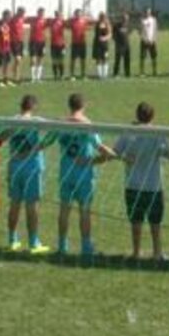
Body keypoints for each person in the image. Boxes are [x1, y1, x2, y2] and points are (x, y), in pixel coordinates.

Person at [113, 102, 169, 261]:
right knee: (155, 222)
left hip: (132, 185)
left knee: (135, 220)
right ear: (153, 116)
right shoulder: (157, 134)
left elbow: (114, 152)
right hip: (153, 187)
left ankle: (136, 252)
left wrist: (123, 158)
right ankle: (157, 252)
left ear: (136, 114)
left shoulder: (128, 132)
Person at [54, 93, 115, 257]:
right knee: (85, 211)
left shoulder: (61, 124)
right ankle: (86, 247)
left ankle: (62, 246)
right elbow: (100, 147)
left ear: (69, 105)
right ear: (83, 105)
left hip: (66, 172)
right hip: (83, 174)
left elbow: (49, 140)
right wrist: (115, 155)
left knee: (64, 210)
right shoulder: (87, 125)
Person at [4, 95, 49, 253]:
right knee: (32, 205)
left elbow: (2, 136)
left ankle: (12, 239)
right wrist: (41, 146)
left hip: (15, 166)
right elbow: (54, 129)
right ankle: (33, 242)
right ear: (34, 106)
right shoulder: (37, 121)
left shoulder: (12, 121)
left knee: (14, 203)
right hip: (32, 167)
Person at [27, 8, 48, 83]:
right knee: (33, 59)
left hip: (42, 42)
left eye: (42, 13)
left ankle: (38, 78)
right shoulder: (32, 19)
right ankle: (33, 77)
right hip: (33, 42)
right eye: (40, 12)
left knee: (40, 59)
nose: (41, 14)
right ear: (37, 12)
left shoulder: (45, 21)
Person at [69, 9, 90, 80]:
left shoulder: (84, 21)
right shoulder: (72, 21)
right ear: (74, 14)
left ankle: (83, 75)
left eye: (79, 13)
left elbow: (90, 25)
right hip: (74, 43)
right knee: (73, 60)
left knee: (83, 60)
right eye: (77, 13)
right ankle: (72, 75)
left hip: (82, 43)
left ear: (81, 14)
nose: (78, 15)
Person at [139, 8, 159, 77]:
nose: (148, 13)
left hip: (152, 41)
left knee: (154, 57)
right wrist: (144, 39)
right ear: (144, 12)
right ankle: (142, 72)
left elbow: (155, 30)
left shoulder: (153, 20)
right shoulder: (142, 20)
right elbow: (140, 31)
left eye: (149, 12)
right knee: (142, 57)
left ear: (150, 12)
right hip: (144, 41)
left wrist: (154, 39)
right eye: (146, 12)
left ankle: (154, 71)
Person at [92, 12, 112, 80]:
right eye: (101, 16)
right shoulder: (97, 23)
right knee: (98, 59)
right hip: (97, 44)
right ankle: (100, 75)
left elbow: (110, 35)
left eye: (103, 16)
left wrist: (104, 38)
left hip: (104, 45)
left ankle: (105, 74)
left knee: (105, 59)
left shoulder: (107, 24)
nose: (102, 18)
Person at [9, 7, 27, 84]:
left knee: (19, 61)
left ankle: (17, 76)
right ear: (18, 12)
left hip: (20, 41)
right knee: (17, 59)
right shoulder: (12, 20)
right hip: (14, 42)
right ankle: (15, 77)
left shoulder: (22, 19)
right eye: (22, 12)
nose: (23, 14)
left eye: (24, 13)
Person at [112, 12, 132, 78]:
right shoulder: (117, 25)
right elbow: (113, 35)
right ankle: (115, 73)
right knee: (117, 60)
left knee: (127, 60)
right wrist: (116, 42)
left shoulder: (128, 25)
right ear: (122, 18)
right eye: (124, 18)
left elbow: (128, 33)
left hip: (127, 45)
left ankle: (127, 73)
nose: (125, 20)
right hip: (119, 46)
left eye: (126, 18)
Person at [50, 10, 66, 81]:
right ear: (55, 15)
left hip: (61, 44)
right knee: (54, 61)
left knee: (61, 60)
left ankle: (61, 75)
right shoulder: (51, 22)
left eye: (59, 15)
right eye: (56, 14)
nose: (57, 16)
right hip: (53, 45)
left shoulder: (63, 22)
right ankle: (55, 75)